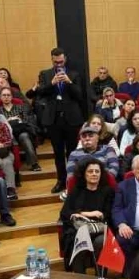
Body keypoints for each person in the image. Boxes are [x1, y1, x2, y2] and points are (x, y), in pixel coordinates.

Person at [35, 48, 88, 193]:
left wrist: (69, 82)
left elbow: (80, 96)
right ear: (52, 59)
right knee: (58, 152)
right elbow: (39, 93)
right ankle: (61, 180)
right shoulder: (45, 74)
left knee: (72, 152)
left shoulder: (75, 74)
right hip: (53, 119)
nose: (59, 64)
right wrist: (51, 83)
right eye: (56, 61)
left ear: (65, 59)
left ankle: (73, 180)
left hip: (72, 118)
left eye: (61, 61)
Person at [60, 158, 115, 274]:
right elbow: (65, 213)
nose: (94, 174)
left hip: (100, 229)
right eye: (90, 171)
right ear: (84, 174)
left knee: (101, 241)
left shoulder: (107, 191)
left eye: (97, 171)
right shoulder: (76, 190)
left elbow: (108, 214)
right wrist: (88, 213)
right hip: (78, 229)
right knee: (79, 238)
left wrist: (79, 213)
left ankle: (100, 277)